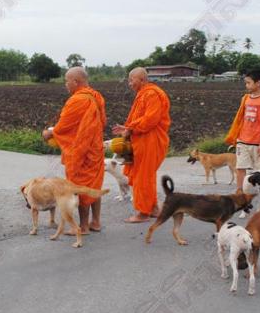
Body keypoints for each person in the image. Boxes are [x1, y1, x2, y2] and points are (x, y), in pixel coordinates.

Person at [42, 67, 106, 234]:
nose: (65, 84)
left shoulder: (78, 100)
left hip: (81, 152)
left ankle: (83, 226)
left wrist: (49, 133)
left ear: (76, 82)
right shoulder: (96, 96)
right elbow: (102, 122)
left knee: (81, 186)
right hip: (96, 149)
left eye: (66, 81)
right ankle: (96, 222)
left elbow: (63, 126)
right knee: (95, 185)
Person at [112, 67, 171, 223]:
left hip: (151, 140)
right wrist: (127, 129)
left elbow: (151, 119)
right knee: (145, 176)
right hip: (143, 140)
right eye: (129, 80)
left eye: (132, 80)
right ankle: (153, 209)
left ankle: (143, 213)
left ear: (142, 80)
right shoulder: (143, 94)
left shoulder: (151, 94)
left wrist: (130, 128)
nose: (129, 83)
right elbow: (141, 119)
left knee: (143, 178)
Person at [225, 70, 260, 192]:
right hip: (243, 140)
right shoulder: (246, 99)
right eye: (245, 83)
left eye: (248, 83)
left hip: (258, 143)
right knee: (240, 168)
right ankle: (240, 193)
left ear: (258, 83)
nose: (246, 85)